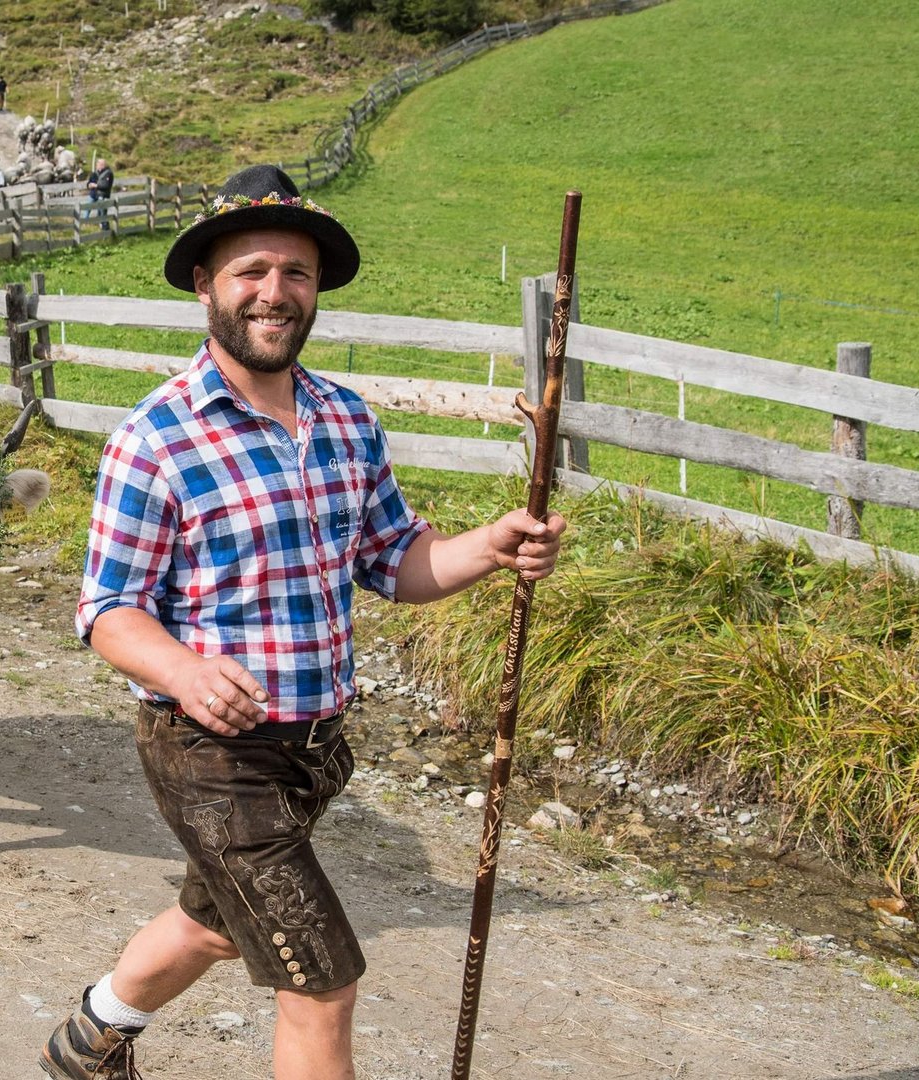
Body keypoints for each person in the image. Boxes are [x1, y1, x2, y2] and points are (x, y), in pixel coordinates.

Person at [35, 164, 567, 1080]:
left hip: (316, 748)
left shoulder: (345, 419)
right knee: (320, 982)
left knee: (216, 923)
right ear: (206, 285)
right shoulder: (157, 437)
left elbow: (393, 561)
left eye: (296, 273)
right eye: (250, 271)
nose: (274, 293)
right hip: (210, 754)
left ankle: (91, 1036)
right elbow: (108, 609)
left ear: (316, 291)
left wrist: (491, 544)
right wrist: (186, 672)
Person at [88, 158, 116, 231]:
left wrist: (95, 185)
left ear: (102, 165)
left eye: (98, 164)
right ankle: (102, 230)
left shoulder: (108, 173)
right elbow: (91, 181)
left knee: (103, 213)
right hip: (97, 195)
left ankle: (106, 230)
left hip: (104, 195)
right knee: (99, 213)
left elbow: (105, 185)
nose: (97, 165)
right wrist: (89, 185)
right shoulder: (98, 173)